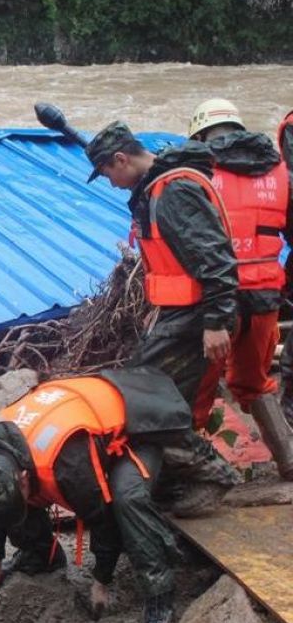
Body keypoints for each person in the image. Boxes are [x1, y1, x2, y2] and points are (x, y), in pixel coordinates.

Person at [0, 368, 194, 623]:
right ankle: (44, 555)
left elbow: (101, 518)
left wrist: (100, 582)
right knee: (13, 506)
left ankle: (159, 604)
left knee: (127, 499)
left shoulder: (66, 465)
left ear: (22, 478)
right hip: (77, 419)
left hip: (136, 425)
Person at [85, 120, 240, 510]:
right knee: (165, 401)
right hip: (180, 314)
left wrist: (216, 323)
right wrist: (163, 309)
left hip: (197, 317)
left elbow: (216, 259)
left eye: (107, 174)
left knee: (147, 399)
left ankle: (214, 475)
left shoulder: (174, 193)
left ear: (121, 159)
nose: (111, 183)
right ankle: (172, 481)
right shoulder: (159, 188)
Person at [185, 98, 293, 478]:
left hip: (217, 297)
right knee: (254, 383)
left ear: (200, 134)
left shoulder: (195, 170)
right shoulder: (281, 170)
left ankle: (193, 472)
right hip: (266, 296)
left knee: (197, 385)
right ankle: (289, 461)